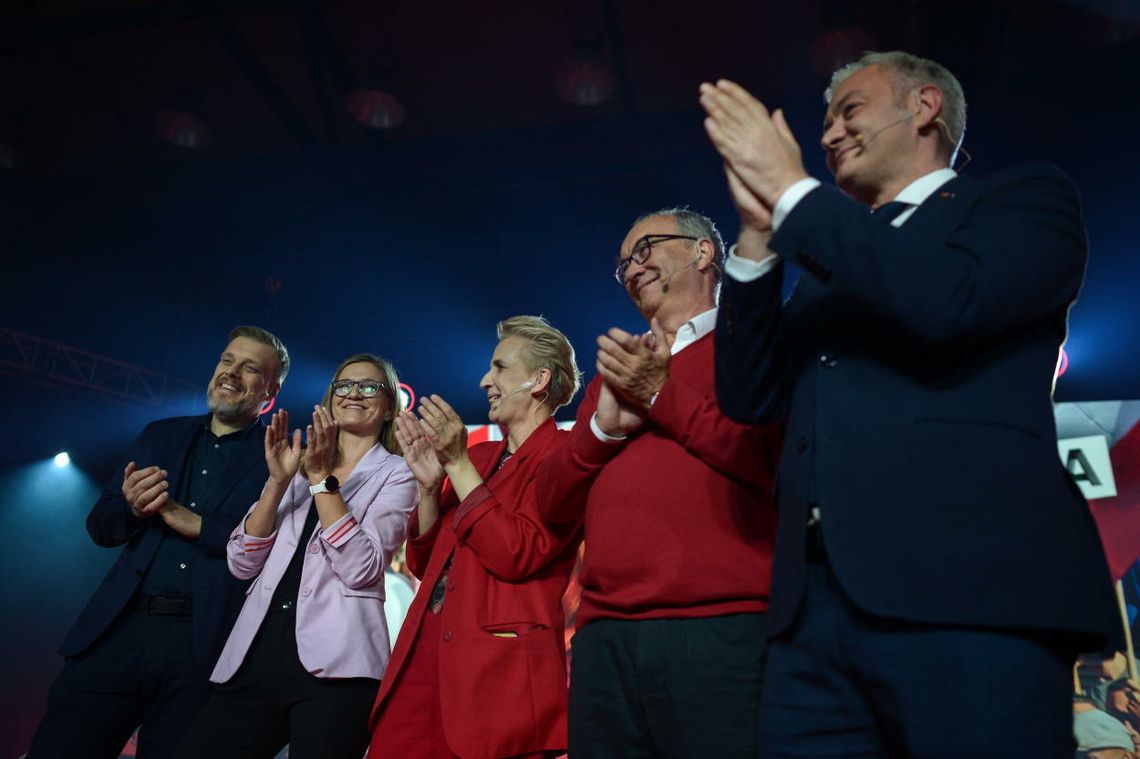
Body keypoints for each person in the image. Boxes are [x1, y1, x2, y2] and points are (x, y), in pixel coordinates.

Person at [701, 49, 1117, 756]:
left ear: (923, 107)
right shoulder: (834, 261)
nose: (828, 135)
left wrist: (795, 192)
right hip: (813, 618)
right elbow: (749, 396)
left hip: (971, 595)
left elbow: (945, 301)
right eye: (825, 122)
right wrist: (755, 234)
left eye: (849, 112)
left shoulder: (1020, 203)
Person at [535, 208, 783, 757]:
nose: (632, 268)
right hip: (604, 640)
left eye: (645, 249)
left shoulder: (754, 347)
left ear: (703, 253)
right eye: (623, 262)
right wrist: (601, 429)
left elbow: (768, 461)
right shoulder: (612, 375)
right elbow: (549, 502)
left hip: (721, 628)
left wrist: (658, 395)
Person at [27, 325, 289, 759]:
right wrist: (131, 508)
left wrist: (195, 523)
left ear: (270, 391)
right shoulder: (159, 434)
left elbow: (279, 550)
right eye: (227, 361)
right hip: (119, 631)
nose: (231, 373)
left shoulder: (280, 459)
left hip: (204, 647)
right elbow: (101, 526)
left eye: (249, 368)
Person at [177, 353, 417, 759]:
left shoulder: (399, 472)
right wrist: (277, 482)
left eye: (369, 386)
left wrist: (323, 481)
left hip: (340, 666)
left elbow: (362, 568)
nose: (353, 393)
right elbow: (241, 562)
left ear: (390, 405)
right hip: (258, 650)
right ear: (330, 397)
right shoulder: (297, 462)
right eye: (344, 385)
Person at [368, 315, 584, 759]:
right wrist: (429, 487)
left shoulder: (563, 457)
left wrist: (457, 465)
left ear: (539, 380)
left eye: (500, 367)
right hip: (424, 652)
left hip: (496, 673)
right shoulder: (480, 455)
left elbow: (516, 553)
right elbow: (425, 566)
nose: (486, 380)